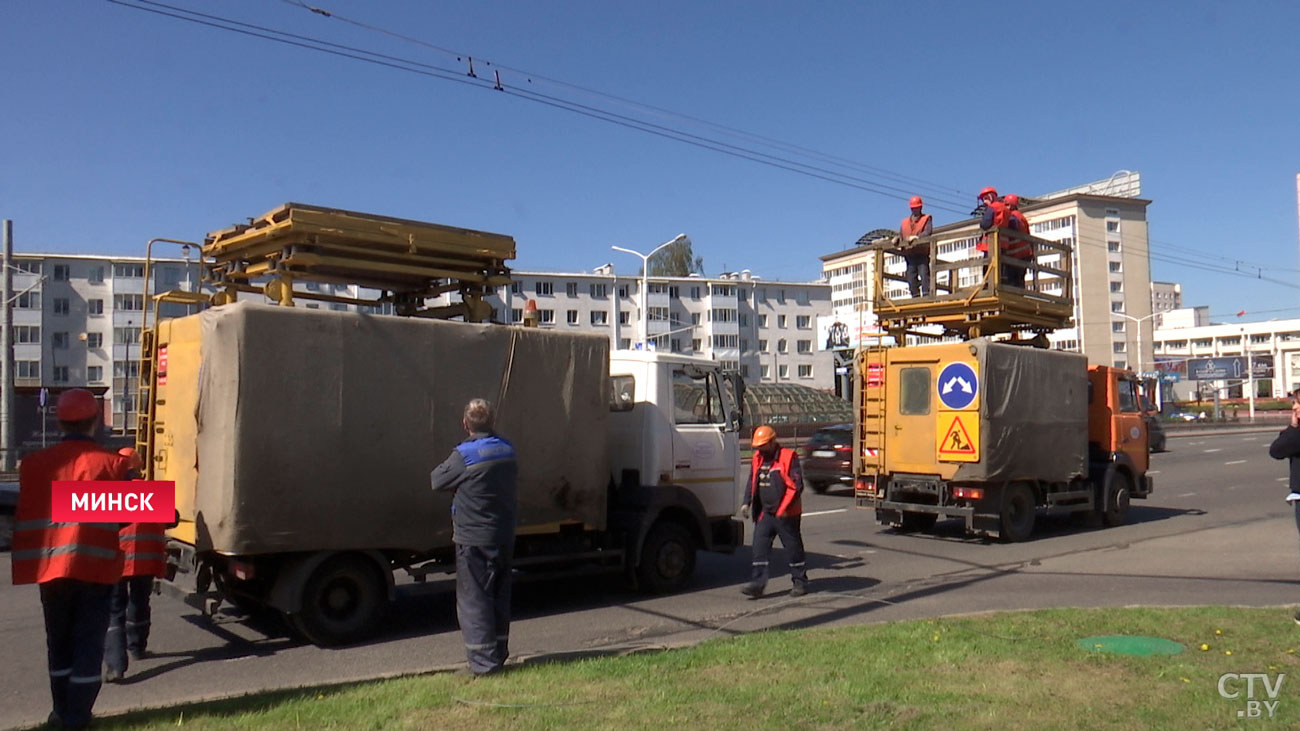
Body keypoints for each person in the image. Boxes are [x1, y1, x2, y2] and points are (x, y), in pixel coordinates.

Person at [11, 389, 133, 729]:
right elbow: (131, 513)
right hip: (94, 571)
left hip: (50, 570)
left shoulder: (33, 465)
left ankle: (60, 712)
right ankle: (77, 718)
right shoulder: (114, 464)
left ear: (60, 421)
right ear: (95, 420)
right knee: (87, 647)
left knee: (59, 644)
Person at [431, 399, 519, 676]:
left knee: (475, 601)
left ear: (465, 423)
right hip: (503, 535)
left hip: (473, 539)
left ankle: (483, 666)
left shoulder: (464, 455)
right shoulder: (507, 449)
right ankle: (499, 654)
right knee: (498, 596)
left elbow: (436, 480)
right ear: (492, 422)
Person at [104, 447, 166, 683]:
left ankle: (116, 665)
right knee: (140, 603)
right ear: (139, 466)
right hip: (145, 563)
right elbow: (172, 518)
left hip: (117, 564)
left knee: (114, 611)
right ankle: (137, 648)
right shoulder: (152, 493)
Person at [741, 425, 808, 598]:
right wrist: (746, 502)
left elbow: (796, 486)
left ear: (772, 442)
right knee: (759, 549)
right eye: (757, 447)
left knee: (793, 548)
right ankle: (757, 584)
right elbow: (752, 480)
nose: (760, 450)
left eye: (762, 446)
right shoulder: (757, 458)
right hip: (765, 513)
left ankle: (799, 582)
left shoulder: (788, 457)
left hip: (787, 514)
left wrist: (783, 509)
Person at [974, 186, 1011, 286]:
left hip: (991, 244)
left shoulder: (992, 208)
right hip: (1003, 244)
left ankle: (987, 285)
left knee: (988, 266)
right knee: (1001, 266)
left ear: (990, 197)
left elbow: (985, 224)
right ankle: (1002, 283)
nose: (984, 202)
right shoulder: (1006, 209)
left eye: (985, 199)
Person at [899, 195, 933, 297]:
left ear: (921, 207)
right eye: (913, 208)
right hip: (909, 254)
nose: (915, 210)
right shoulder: (905, 222)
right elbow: (901, 235)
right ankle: (915, 296)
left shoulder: (926, 219)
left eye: (917, 207)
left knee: (924, 275)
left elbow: (928, 232)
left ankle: (926, 295)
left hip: (921, 253)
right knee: (911, 276)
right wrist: (897, 240)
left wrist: (916, 237)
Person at [1002, 194, 1034, 288]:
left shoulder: (1013, 216)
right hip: (1024, 254)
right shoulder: (1021, 217)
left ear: (1012, 205)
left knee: (1013, 280)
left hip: (1016, 254)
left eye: (1007, 205)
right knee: (1019, 280)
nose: (1005, 207)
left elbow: (1013, 227)